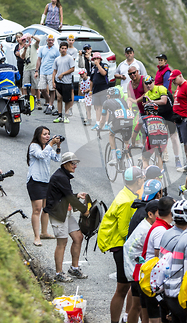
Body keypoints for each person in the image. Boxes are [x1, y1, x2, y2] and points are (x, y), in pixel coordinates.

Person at [98, 167, 145, 323]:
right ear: (138, 180)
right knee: (122, 289)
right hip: (122, 249)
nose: (143, 181)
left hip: (122, 247)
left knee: (129, 287)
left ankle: (126, 317)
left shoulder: (127, 193)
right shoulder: (127, 201)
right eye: (142, 178)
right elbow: (126, 230)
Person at [44, 152, 89, 282]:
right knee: (62, 243)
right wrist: (84, 210)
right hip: (58, 213)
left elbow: (64, 194)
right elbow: (68, 197)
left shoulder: (63, 176)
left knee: (78, 237)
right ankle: (59, 273)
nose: (75, 166)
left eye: (76, 163)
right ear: (65, 164)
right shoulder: (60, 177)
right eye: (72, 163)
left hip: (65, 211)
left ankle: (74, 269)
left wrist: (76, 195)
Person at [137, 197, 175, 323]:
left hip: (148, 278)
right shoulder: (161, 230)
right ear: (171, 212)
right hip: (153, 281)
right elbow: (160, 258)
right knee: (155, 320)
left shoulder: (160, 225)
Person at [123, 200, 159, 323]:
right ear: (150, 214)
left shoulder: (144, 225)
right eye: (160, 213)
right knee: (144, 308)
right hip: (138, 272)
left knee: (137, 305)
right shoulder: (147, 229)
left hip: (133, 270)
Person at [26, 126, 61, 246]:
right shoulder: (33, 146)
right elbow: (41, 155)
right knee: (37, 209)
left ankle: (44, 232)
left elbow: (57, 159)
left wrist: (58, 147)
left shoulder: (48, 147)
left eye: (48, 134)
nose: (47, 136)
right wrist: (51, 143)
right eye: (45, 134)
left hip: (46, 181)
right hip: (35, 181)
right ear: (38, 135)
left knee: (46, 209)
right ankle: (36, 237)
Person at [143, 75, 181, 165]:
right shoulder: (147, 94)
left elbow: (164, 101)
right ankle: (165, 153)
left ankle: (177, 159)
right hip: (159, 116)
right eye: (146, 84)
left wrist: (152, 101)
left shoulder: (161, 88)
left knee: (174, 137)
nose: (148, 85)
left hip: (170, 115)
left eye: (150, 83)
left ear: (153, 82)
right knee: (161, 135)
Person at [100, 87, 134, 164]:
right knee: (126, 145)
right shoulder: (123, 101)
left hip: (118, 122)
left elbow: (103, 119)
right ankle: (130, 165)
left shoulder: (106, 102)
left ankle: (114, 158)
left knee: (111, 134)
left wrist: (99, 127)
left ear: (108, 96)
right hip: (129, 122)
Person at [131, 102, 168, 169]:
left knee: (145, 159)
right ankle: (159, 177)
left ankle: (148, 175)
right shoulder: (162, 118)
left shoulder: (143, 118)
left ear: (147, 112)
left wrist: (133, 143)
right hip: (164, 139)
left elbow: (135, 132)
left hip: (151, 140)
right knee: (159, 156)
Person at [171, 70, 187, 171]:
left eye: (174, 79)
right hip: (179, 119)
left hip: (186, 118)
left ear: (180, 76)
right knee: (185, 142)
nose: (173, 82)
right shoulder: (179, 87)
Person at [36, 34, 60, 115]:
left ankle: (50, 105)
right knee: (42, 89)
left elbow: (58, 61)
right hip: (43, 71)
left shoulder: (56, 50)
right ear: (47, 40)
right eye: (49, 40)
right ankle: (50, 102)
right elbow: (39, 59)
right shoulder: (42, 49)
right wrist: (36, 70)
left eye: (52, 40)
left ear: (54, 41)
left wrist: (57, 72)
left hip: (51, 72)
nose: (50, 41)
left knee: (52, 89)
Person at [52, 41, 75, 123]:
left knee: (67, 100)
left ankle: (66, 115)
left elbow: (72, 69)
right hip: (58, 82)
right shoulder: (57, 59)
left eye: (65, 48)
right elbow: (54, 71)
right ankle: (59, 115)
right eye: (62, 48)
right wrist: (53, 81)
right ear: (60, 49)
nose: (64, 50)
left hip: (67, 82)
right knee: (59, 98)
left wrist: (63, 74)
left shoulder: (69, 58)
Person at [89, 52, 110, 130]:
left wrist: (98, 65)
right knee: (97, 107)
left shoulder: (104, 65)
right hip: (96, 90)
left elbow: (104, 73)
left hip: (103, 89)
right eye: (94, 59)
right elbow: (91, 80)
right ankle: (97, 123)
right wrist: (90, 90)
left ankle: (107, 124)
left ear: (100, 59)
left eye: (97, 58)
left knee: (105, 107)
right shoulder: (93, 68)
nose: (96, 60)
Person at [20, 33, 42, 109]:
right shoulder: (22, 49)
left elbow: (38, 40)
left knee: (36, 86)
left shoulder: (33, 46)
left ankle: (38, 101)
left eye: (26, 40)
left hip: (33, 68)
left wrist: (32, 37)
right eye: (23, 40)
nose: (25, 42)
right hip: (26, 69)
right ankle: (26, 101)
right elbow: (22, 57)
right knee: (25, 86)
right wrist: (25, 49)